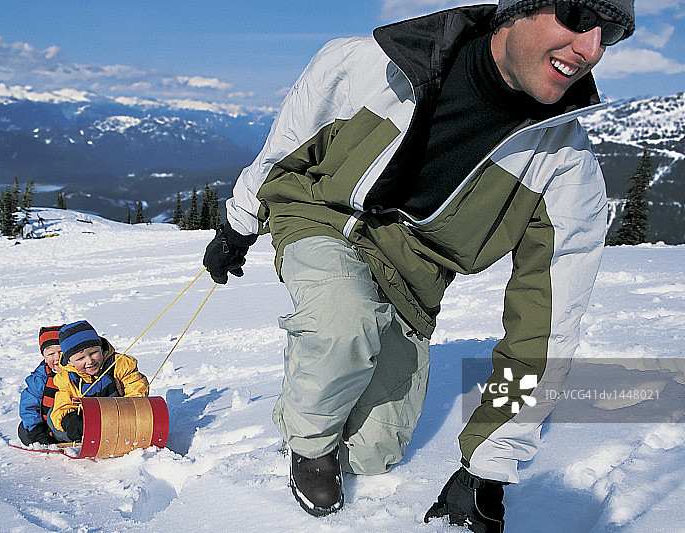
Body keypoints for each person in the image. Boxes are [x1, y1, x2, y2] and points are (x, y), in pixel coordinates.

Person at [202, 0, 634, 530]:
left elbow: (544, 332)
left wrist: (489, 466)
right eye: (575, 15)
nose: (590, 49)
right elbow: (285, 146)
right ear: (517, 9)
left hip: (413, 279)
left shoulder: (565, 168)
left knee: (376, 453)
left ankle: (336, 394)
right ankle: (308, 441)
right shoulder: (368, 65)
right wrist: (239, 223)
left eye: (609, 32)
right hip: (324, 217)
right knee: (344, 323)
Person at [49, 320, 149, 442]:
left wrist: (129, 412)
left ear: (101, 348)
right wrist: (70, 420)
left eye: (93, 353)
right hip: (88, 424)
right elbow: (63, 404)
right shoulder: (66, 378)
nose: (90, 361)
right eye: (81, 358)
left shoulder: (120, 364)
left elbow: (137, 387)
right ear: (69, 361)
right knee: (54, 418)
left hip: (122, 418)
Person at [17, 325, 66, 445]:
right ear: (44, 357)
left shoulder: (75, 373)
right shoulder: (40, 378)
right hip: (45, 426)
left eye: (61, 352)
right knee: (24, 430)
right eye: (51, 354)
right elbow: (29, 405)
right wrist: (37, 431)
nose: (57, 358)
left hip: (65, 424)